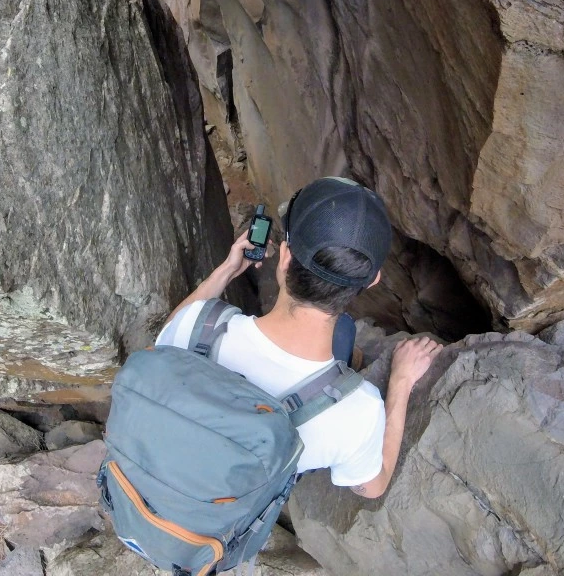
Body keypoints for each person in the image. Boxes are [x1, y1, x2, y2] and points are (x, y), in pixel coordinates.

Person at [157, 177, 442, 498]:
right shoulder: (357, 413)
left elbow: (170, 332)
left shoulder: (197, 329)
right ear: (373, 280)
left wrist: (227, 270)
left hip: (152, 489)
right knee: (344, 332)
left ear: (285, 256)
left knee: (344, 334)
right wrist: (401, 383)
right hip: (218, 528)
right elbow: (373, 487)